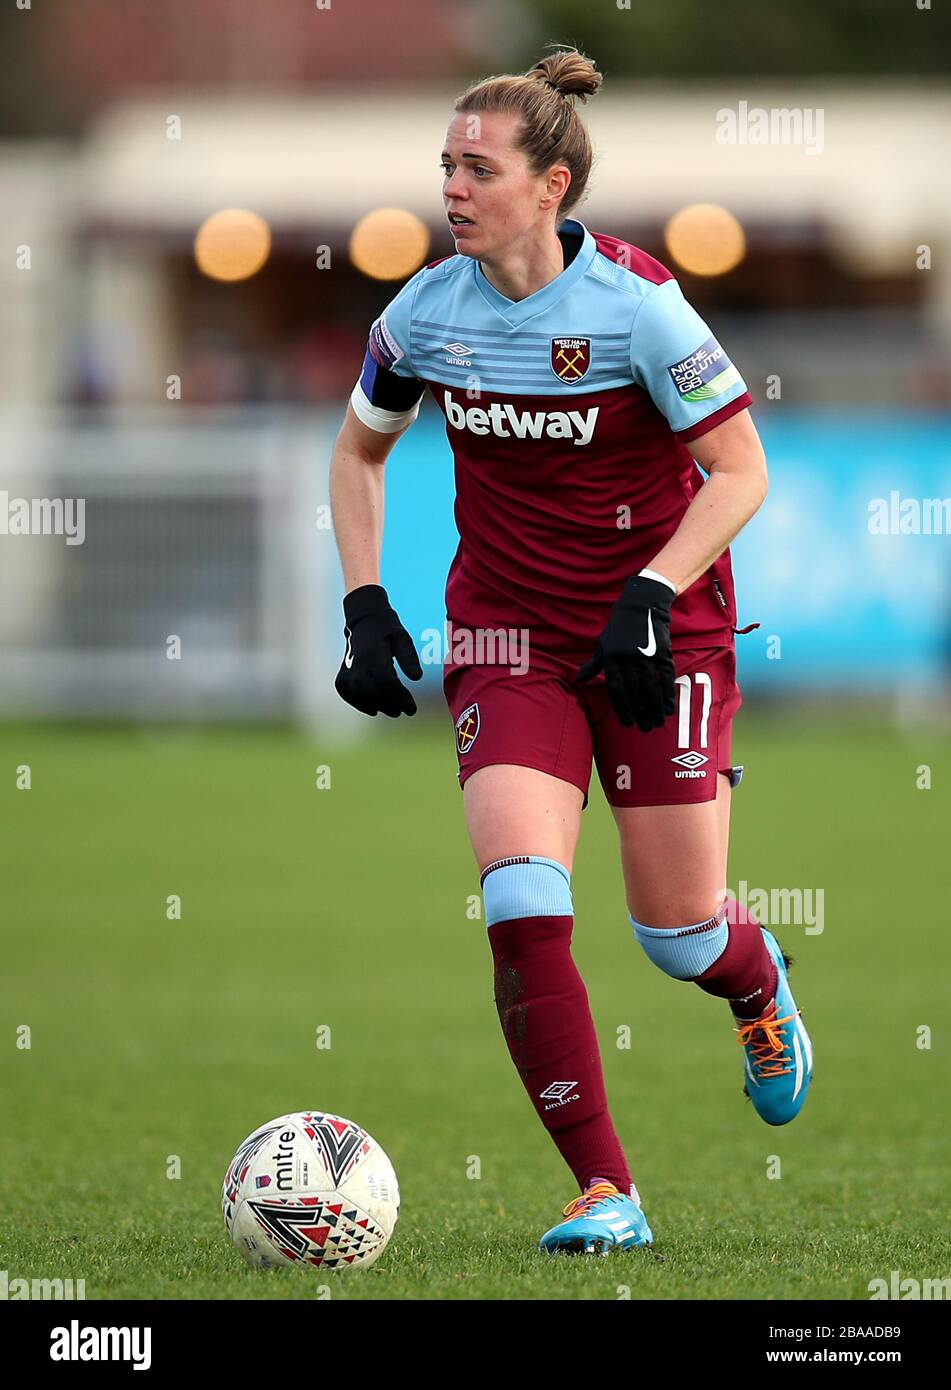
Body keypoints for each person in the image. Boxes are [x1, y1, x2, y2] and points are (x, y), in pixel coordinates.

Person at [330, 45, 813, 1256]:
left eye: (477, 167)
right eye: (444, 163)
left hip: (661, 633)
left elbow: (741, 470)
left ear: (551, 187)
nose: (452, 186)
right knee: (523, 903)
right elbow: (358, 450)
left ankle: (753, 984)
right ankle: (607, 1188)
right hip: (507, 634)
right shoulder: (421, 312)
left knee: (677, 933)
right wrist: (365, 599)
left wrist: (653, 586)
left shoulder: (639, 304)